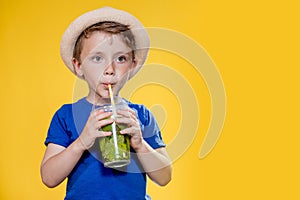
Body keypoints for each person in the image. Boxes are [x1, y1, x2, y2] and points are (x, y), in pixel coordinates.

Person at [40, 6, 172, 200]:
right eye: (97, 58)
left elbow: (164, 177)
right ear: (79, 66)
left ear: (132, 64)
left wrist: (140, 144)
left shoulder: (140, 116)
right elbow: (49, 178)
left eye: (120, 58)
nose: (109, 69)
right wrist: (81, 142)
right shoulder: (67, 116)